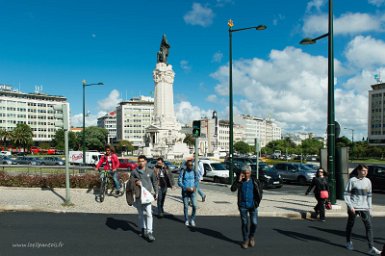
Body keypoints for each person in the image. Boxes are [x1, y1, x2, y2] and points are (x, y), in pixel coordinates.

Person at [344, 164, 382, 255]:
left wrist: (370, 208)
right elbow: (346, 194)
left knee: (369, 226)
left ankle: (371, 247)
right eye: (363, 170)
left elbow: (369, 196)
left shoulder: (368, 181)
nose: (365, 172)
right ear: (358, 171)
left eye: (366, 170)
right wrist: (350, 206)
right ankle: (348, 242)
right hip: (354, 207)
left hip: (364, 207)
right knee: (350, 225)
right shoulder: (352, 181)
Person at [231, 165, 263, 249]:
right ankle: (245, 240)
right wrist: (238, 180)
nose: (246, 175)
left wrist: (257, 203)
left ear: (250, 173)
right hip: (243, 206)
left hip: (253, 206)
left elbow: (260, 192)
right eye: (244, 173)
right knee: (244, 223)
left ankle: (251, 237)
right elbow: (233, 189)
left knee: (254, 223)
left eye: (248, 173)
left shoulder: (254, 181)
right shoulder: (240, 181)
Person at [129, 155, 158, 242]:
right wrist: (135, 182)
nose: (141, 163)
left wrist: (156, 192)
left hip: (147, 196)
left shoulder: (150, 171)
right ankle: (143, 229)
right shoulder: (134, 172)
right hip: (138, 196)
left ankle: (149, 232)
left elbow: (155, 182)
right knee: (141, 214)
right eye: (139, 161)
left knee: (149, 213)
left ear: (145, 162)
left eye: (142, 161)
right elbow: (130, 183)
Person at [178, 159, 199, 227]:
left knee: (195, 206)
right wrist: (185, 188)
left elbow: (196, 180)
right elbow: (179, 182)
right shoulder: (183, 171)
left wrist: (195, 187)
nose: (191, 166)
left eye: (191, 165)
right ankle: (186, 219)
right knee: (186, 207)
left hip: (192, 192)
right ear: (186, 166)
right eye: (189, 165)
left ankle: (192, 219)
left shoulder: (194, 171)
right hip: (185, 192)